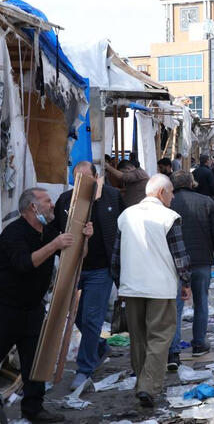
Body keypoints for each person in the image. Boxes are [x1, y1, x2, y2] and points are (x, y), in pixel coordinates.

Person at [0, 188, 92, 423]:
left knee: (34, 365)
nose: (52, 204)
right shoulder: (14, 233)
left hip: (32, 309)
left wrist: (84, 239)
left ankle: (34, 409)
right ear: (33, 207)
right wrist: (54, 245)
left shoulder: (47, 231)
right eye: (47, 200)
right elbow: (23, 264)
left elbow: (76, 256)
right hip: (7, 309)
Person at [112, 174, 191, 408]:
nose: (173, 196)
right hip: (160, 288)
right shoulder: (169, 217)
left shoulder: (126, 215)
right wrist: (185, 282)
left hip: (131, 287)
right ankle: (148, 386)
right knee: (160, 337)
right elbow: (179, 255)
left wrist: (120, 283)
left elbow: (115, 255)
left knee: (139, 338)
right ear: (161, 193)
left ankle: (142, 383)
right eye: (171, 192)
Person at [54, 162, 123, 391]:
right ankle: (100, 346)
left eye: (86, 178)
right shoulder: (65, 200)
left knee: (92, 318)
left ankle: (84, 369)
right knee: (77, 317)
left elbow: (122, 228)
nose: (81, 183)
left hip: (101, 269)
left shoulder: (111, 197)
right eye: (77, 178)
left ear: (96, 177)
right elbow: (57, 231)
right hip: (74, 268)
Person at [167, 171, 214, 369]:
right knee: (201, 301)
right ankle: (199, 343)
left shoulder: (168, 203)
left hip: (175, 262)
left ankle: (173, 351)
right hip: (201, 259)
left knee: (176, 306)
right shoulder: (206, 201)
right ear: (192, 183)